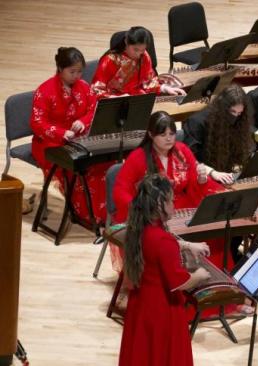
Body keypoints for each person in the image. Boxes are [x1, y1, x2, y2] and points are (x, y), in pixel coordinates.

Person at [113, 111, 229, 267]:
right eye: (163, 134)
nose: (169, 138)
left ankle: (215, 279)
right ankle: (181, 278)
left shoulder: (182, 150)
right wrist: (142, 211)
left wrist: (202, 179)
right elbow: (120, 190)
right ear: (151, 134)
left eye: (172, 134)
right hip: (153, 212)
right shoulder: (138, 157)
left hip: (184, 208)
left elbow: (196, 182)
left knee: (212, 232)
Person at [118, 173, 211, 366]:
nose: (174, 205)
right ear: (159, 204)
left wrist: (185, 245)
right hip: (162, 311)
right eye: (171, 200)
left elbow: (158, 246)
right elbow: (179, 282)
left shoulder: (138, 227)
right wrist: (199, 275)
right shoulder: (162, 240)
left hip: (141, 306)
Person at [30, 47, 109, 225]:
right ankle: (87, 215)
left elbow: (94, 109)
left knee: (103, 162)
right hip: (50, 143)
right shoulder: (45, 91)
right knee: (80, 169)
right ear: (60, 68)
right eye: (72, 71)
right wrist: (61, 132)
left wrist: (83, 121)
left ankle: (106, 213)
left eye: (80, 71)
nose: (77, 76)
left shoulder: (84, 87)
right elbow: (37, 123)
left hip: (79, 138)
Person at [183, 84, 254, 185]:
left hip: (225, 175)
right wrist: (212, 172)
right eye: (232, 111)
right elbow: (189, 159)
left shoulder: (238, 122)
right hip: (203, 177)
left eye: (239, 113)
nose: (234, 117)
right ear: (222, 107)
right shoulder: (196, 122)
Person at [91, 26, 185, 98]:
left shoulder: (144, 56)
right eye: (135, 49)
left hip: (138, 97)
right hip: (114, 100)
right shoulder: (110, 60)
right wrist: (115, 98)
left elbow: (148, 82)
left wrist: (164, 88)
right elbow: (96, 89)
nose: (138, 54)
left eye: (142, 50)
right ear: (126, 42)